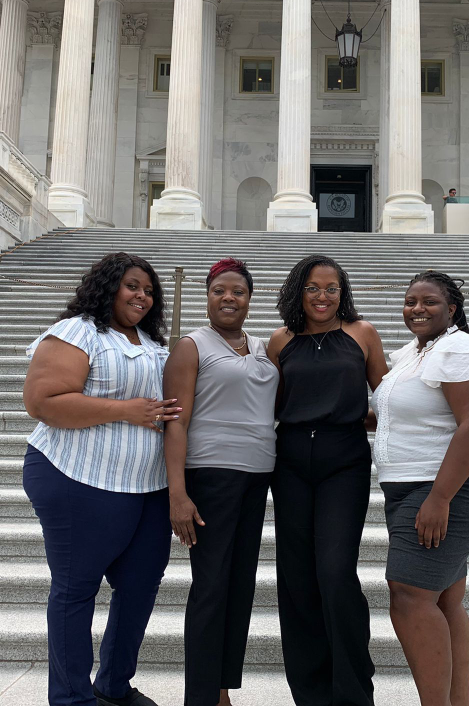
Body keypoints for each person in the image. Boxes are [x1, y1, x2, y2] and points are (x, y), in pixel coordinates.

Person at [22, 252, 180, 706]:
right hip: (79, 476)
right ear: (108, 286)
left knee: (141, 585)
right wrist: (127, 411)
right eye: (133, 286)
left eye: (149, 290)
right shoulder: (79, 331)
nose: (142, 296)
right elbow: (43, 400)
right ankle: (71, 698)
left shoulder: (151, 343)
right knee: (76, 589)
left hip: (145, 486)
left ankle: (113, 685)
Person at [372, 270, 469, 706]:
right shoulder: (413, 353)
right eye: (410, 301)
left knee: (409, 595)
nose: (417, 308)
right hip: (411, 486)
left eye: (429, 301)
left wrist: (440, 498)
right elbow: (401, 417)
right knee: (445, 597)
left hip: (450, 486)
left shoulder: (461, 348)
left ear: (452, 309)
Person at [266, 255, 388, 706]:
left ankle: (354, 692)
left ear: (344, 292)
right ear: (299, 290)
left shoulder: (363, 334)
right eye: (314, 288)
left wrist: (365, 415)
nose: (323, 296)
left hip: (344, 460)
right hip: (292, 460)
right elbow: (273, 403)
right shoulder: (280, 342)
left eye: (332, 288)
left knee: (335, 573)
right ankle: (311, 693)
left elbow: (389, 397)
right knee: (296, 579)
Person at [163, 258, 280, 706]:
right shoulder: (192, 346)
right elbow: (175, 422)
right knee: (211, 586)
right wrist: (178, 494)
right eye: (219, 291)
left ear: (250, 299)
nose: (228, 298)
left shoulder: (262, 346)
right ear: (207, 296)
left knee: (239, 585)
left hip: (257, 477)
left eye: (238, 292)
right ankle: (201, 697)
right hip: (210, 476)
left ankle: (222, 691)